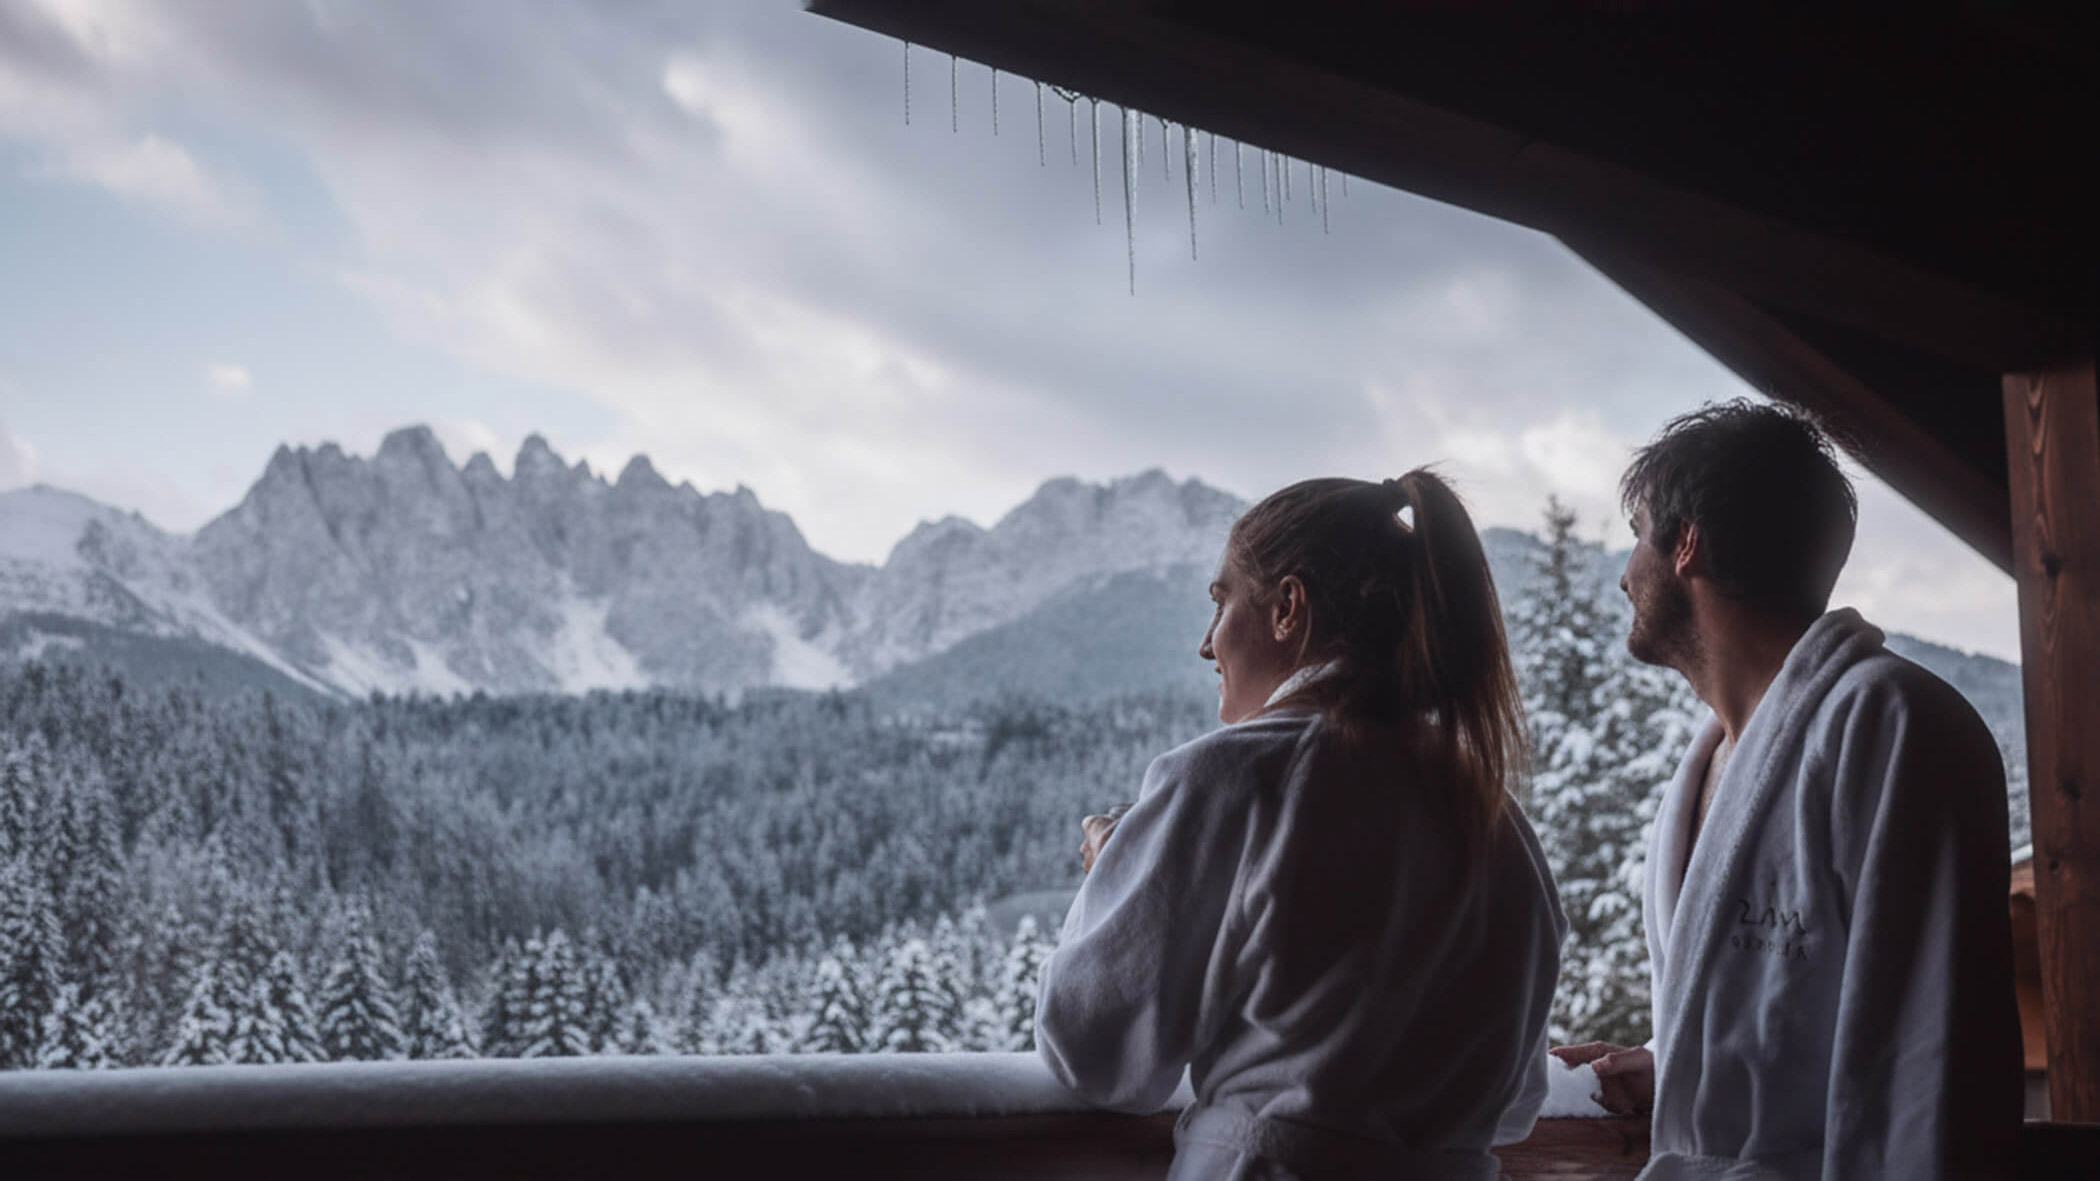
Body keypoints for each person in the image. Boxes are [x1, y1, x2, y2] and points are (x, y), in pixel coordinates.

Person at [1036, 470, 1566, 1181]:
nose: (1205, 643)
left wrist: (1115, 874)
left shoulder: (1229, 778)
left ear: (1288, 607)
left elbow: (1097, 1054)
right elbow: (1514, 1105)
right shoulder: (1499, 823)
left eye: (1222, 601)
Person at [1551, 401, 2023, 1180]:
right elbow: (1797, 1014)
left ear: (1687, 544)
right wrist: (1677, 1066)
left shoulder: (1892, 724)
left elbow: (1929, 1062)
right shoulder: (1714, 758)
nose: (1623, 572)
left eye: (1637, 535)